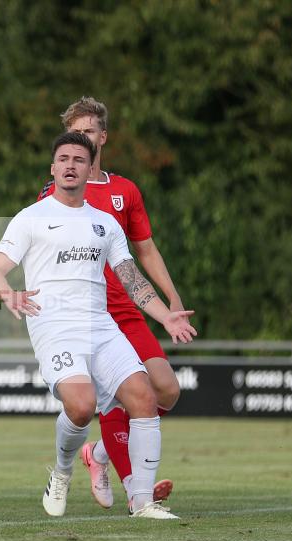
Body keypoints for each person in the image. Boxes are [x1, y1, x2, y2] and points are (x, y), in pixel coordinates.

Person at [0, 132, 196, 519]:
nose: (69, 165)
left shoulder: (105, 224)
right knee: (80, 408)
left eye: (78, 160)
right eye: (63, 159)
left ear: (89, 167)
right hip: (54, 326)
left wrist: (165, 314)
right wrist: (6, 293)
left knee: (145, 397)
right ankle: (63, 471)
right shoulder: (31, 218)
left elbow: (131, 277)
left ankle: (143, 501)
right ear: (53, 168)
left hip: (101, 325)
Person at [37, 97, 189, 510]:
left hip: (125, 309)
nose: (82, 140)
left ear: (103, 137)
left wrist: (170, 297)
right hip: (85, 315)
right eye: (74, 133)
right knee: (113, 398)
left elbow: (146, 250)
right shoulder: (56, 192)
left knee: (167, 391)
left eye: (88, 132)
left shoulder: (125, 192)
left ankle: (99, 453)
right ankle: (136, 489)